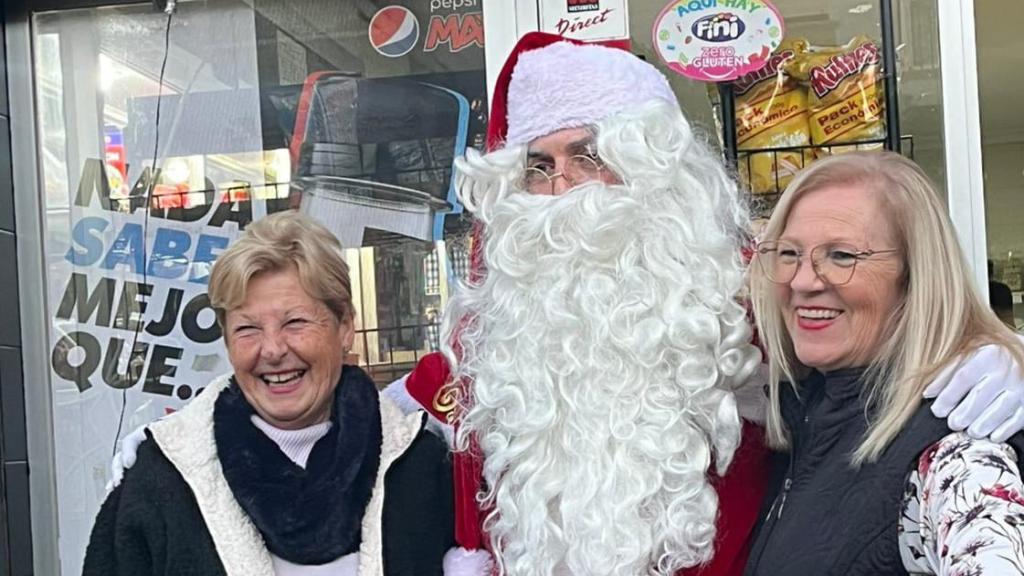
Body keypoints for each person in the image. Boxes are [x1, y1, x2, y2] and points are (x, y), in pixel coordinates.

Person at [109, 34, 1024, 576]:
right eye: (538, 169)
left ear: (653, 166)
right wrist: (193, 441)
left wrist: (982, 355)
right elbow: (344, 416)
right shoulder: (489, 330)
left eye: (590, 156)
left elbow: (871, 337)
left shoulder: (748, 297)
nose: (566, 193)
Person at [84, 211, 460, 575]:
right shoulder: (161, 481)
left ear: (345, 325)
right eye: (247, 329)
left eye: (294, 322)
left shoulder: (420, 469)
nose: (273, 350)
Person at [744, 151, 1024, 575]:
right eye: (788, 253)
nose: (802, 281)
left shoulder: (958, 449)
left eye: (841, 256)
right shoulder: (802, 409)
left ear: (915, 277)